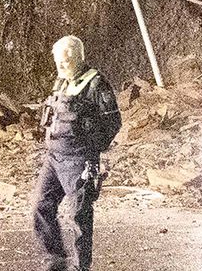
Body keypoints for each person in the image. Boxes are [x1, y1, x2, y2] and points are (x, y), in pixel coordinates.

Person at [31, 34, 122, 271]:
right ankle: (56, 260)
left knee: (79, 215)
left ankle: (82, 267)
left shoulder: (96, 84)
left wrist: (92, 152)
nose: (60, 66)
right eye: (58, 61)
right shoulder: (61, 82)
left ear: (78, 58)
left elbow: (113, 123)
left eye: (65, 61)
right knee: (41, 206)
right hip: (54, 157)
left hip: (78, 160)